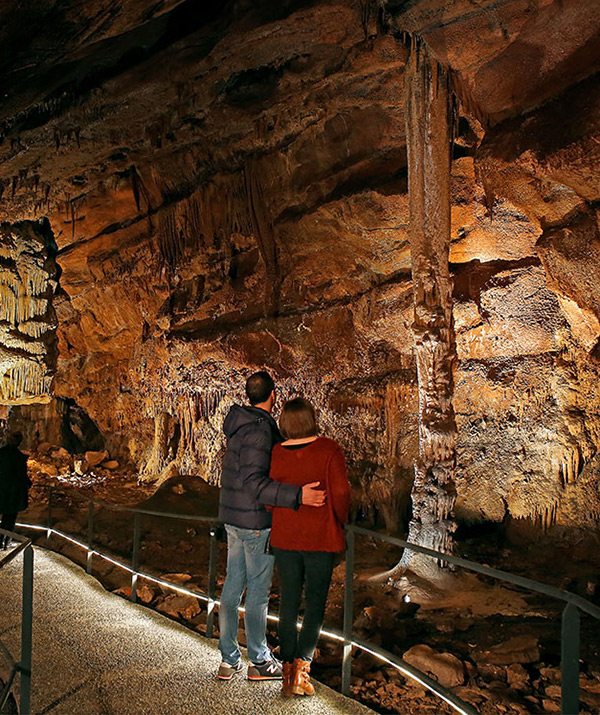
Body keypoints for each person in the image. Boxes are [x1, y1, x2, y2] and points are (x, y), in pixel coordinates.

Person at [217, 372, 326, 682]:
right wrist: (298, 495)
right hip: (254, 524)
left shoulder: (238, 427)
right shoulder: (260, 431)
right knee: (257, 595)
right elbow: (254, 484)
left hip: (234, 520)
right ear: (273, 395)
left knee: (232, 588)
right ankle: (260, 661)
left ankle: (228, 660)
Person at [268, 397, 350, 697]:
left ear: (285, 424)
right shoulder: (329, 450)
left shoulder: (277, 452)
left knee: (288, 603)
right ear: (312, 419)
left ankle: (287, 672)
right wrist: (341, 520)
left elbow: (269, 495)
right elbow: (340, 492)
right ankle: (301, 672)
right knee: (314, 605)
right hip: (320, 538)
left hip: (286, 539)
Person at [0, 432, 30, 550]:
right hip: (13, 494)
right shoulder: (19, 458)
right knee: (9, 519)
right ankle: (5, 541)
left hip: (3, 491)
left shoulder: (1, 454)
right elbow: (22, 476)